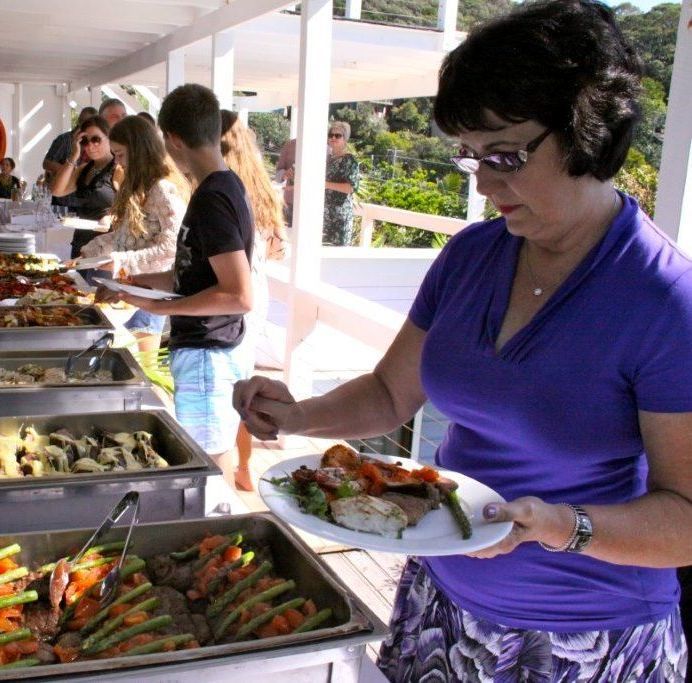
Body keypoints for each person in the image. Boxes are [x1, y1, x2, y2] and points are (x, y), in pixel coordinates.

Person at [234, 1, 691, 680]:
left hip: (584, 637)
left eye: (504, 154)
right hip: (442, 599)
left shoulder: (663, 298)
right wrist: (294, 414)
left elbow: (684, 516)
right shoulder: (472, 254)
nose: (483, 182)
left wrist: (561, 524)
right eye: (471, 156)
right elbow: (392, 392)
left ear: (586, 130)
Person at [115, 84, 253, 477]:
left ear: (173, 139)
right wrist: (134, 284)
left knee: (208, 462)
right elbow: (193, 273)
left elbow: (239, 295)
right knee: (205, 454)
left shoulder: (213, 198)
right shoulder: (222, 186)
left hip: (208, 349)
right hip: (207, 346)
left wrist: (164, 307)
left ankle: (221, 535)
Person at [81, 116, 190, 353]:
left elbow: (172, 248)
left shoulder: (163, 189)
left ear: (139, 151)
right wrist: (92, 249)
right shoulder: (141, 185)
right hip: (132, 284)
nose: (117, 163)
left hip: (151, 290)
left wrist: (121, 260)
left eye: (120, 155)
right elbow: (127, 234)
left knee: (144, 361)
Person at [220, 109, 287, 491]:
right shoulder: (261, 188)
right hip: (257, 291)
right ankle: (245, 466)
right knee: (242, 381)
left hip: (236, 293)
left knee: (231, 386)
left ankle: (235, 466)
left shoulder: (221, 187)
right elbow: (280, 247)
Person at [51, 115, 122, 258]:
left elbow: (130, 205)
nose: (90, 145)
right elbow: (57, 191)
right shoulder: (84, 169)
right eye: (84, 141)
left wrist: (111, 217)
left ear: (108, 138)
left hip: (105, 246)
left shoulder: (118, 169)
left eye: (96, 139)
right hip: (81, 244)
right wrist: (74, 155)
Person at [43, 106, 97, 207]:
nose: (87, 126)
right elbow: (46, 163)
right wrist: (68, 169)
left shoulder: (94, 143)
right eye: (84, 122)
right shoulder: (64, 139)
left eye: (91, 123)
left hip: (85, 203)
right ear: (79, 121)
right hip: (62, 202)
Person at [323, 121, 359, 246]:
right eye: (331, 135)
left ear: (345, 139)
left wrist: (325, 184)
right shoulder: (327, 159)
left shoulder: (349, 160)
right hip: (324, 218)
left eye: (338, 135)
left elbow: (351, 187)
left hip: (339, 219)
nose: (333, 138)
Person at [275, 138, 296, 226]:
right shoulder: (290, 145)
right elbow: (278, 174)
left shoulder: (325, 147)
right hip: (290, 203)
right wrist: (284, 174)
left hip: (315, 205)